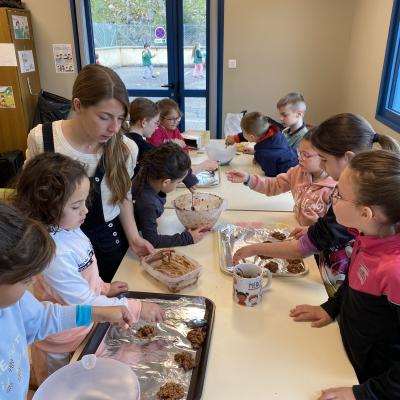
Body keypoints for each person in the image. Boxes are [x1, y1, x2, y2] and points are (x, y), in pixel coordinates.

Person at [11, 153, 166, 384]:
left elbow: (85, 270)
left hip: (85, 325)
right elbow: (81, 300)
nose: (85, 211)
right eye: (76, 206)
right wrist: (136, 307)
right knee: (62, 385)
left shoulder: (69, 227)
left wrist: (103, 288)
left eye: (85, 201)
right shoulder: (53, 253)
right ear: (46, 208)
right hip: (61, 342)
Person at [232, 113, 400, 296]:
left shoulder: (352, 204)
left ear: (348, 158)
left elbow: (303, 248)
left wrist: (254, 248)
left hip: (335, 281)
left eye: (324, 159)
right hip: (336, 284)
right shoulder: (356, 199)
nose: (321, 165)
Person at [26, 64, 153, 283]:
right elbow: (32, 201)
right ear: (78, 105)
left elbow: (122, 197)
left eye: (121, 119)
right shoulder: (43, 138)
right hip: (56, 246)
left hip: (108, 241)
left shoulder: (126, 148)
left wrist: (133, 237)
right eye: (104, 117)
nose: (114, 128)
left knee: (110, 304)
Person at [290, 150, 400, 400]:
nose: (332, 199)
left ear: (366, 213)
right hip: (348, 354)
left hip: (374, 381)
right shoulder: (365, 235)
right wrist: (332, 307)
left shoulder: (394, 271)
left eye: (338, 195)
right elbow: (353, 282)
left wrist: (366, 393)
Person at [0, 202, 134, 400]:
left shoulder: (12, 304)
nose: (31, 282)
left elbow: (42, 318)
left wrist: (94, 312)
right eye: (26, 279)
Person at [226, 131, 336, 226]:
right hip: (296, 226)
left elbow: (333, 227)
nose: (299, 158)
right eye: (299, 152)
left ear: (324, 157)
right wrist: (248, 178)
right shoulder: (297, 172)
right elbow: (273, 185)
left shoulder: (334, 188)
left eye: (306, 155)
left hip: (317, 240)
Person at [133, 143, 209, 248]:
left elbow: (172, 155)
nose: (178, 185)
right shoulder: (148, 204)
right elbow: (152, 240)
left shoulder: (149, 170)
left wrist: (185, 176)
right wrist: (188, 238)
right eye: (179, 182)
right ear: (166, 182)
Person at [125, 97, 198, 189]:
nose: (157, 128)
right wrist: (190, 179)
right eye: (156, 123)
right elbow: (169, 161)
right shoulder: (142, 146)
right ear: (143, 122)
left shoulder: (126, 138)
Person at [148, 98, 218, 174]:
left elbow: (185, 150)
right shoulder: (156, 132)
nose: (175, 122)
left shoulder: (175, 130)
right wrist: (174, 146)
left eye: (177, 118)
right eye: (171, 119)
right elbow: (156, 155)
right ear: (160, 119)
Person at [227, 111, 298, 177]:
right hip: (295, 158)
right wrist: (235, 138)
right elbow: (273, 150)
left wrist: (259, 157)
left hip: (290, 175)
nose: (242, 133)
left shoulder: (264, 154)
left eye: (243, 131)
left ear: (251, 137)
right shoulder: (275, 133)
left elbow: (270, 174)